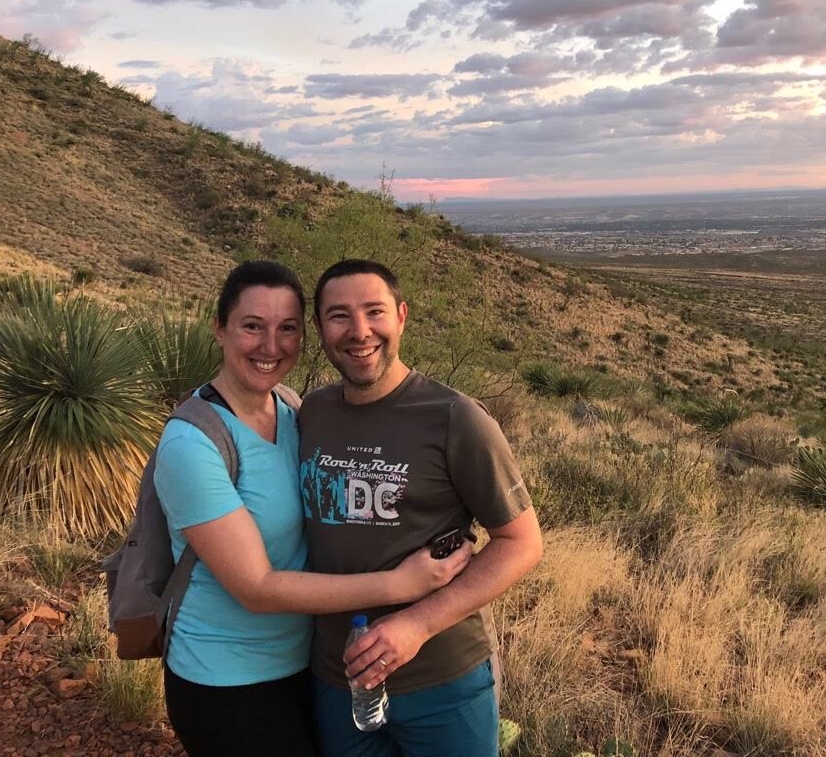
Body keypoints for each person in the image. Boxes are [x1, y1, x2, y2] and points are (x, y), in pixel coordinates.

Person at [153, 260, 471, 757]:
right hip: (228, 681)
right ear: (219, 328)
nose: (271, 346)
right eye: (252, 326)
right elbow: (256, 588)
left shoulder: (292, 409)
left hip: (309, 666)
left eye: (287, 328)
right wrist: (400, 585)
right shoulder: (192, 445)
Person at [299, 259, 543, 757]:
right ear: (319, 329)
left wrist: (418, 624)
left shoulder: (455, 417)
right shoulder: (313, 413)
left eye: (375, 311)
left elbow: (522, 542)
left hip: (442, 681)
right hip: (337, 679)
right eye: (339, 316)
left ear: (402, 316)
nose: (359, 331)